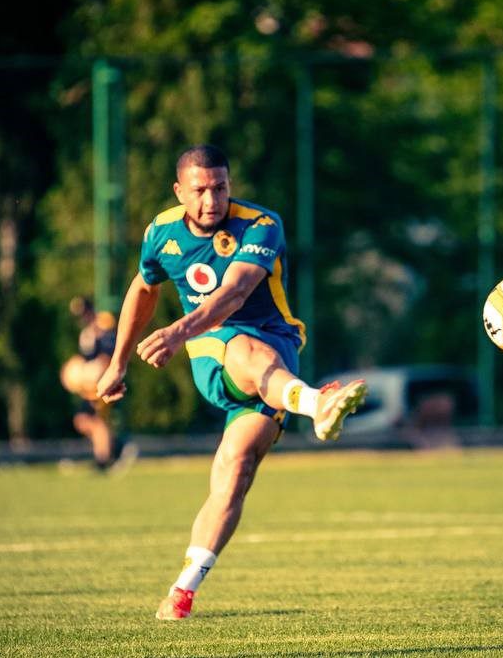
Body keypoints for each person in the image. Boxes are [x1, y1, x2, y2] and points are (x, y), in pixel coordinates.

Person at [95, 144, 367, 620]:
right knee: (239, 347)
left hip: (276, 348)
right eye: (199, 190)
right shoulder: (160, 232)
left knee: (235, 471)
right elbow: (144, 286)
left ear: (230, 185)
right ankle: (317, 404)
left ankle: (183, 589)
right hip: (212, 350)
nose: (210, 200)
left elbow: (237, 291)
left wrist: (177, 331)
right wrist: (118, 362)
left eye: (220, 187)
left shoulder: (261, 225)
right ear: (180, 192)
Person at [60, 296, 137, 472]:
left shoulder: (104, 325)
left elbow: (109, 355)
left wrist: (95, 371)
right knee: (85, 420)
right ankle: (114, 448)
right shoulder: (86, 333)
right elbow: (85, 358)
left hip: (103, 382)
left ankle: (104, 458)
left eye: (85, 313)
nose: (83, 318)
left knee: (95, 420)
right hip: (89, 386)